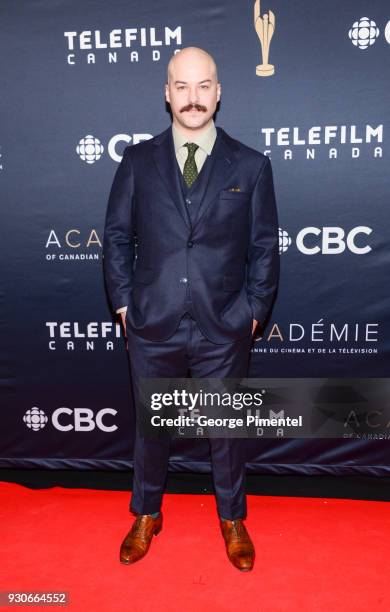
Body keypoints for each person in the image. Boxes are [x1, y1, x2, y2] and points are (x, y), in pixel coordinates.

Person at [103, 46, 279, 572]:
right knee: (151, 426)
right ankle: (146, 513)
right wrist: (124, 304)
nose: (193, 98)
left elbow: (265, 247)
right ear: (167, 93)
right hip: (152, 321)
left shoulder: (250, 165)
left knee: (225, 430)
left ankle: (231, 518)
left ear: (219, 92)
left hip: (223, 323)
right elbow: (115, 238)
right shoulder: (137, 161)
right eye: (182, 86)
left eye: (204, 86)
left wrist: (253, 311)